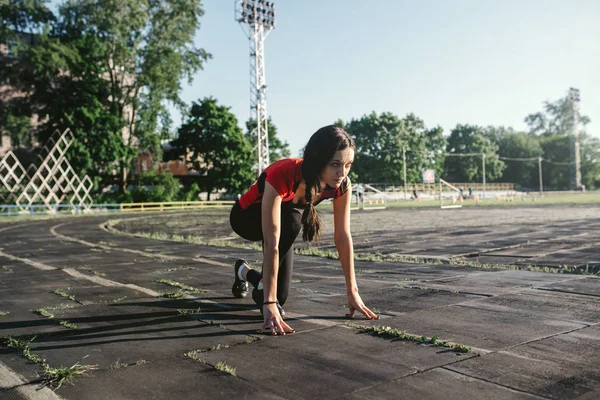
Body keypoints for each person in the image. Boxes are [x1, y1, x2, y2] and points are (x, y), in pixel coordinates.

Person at [229, 125, 379, 335]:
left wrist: (352, 291)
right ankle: (263, 289)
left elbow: (343, 236)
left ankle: (242, 271)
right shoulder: (286, 173)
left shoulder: (342, 185)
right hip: (246, 218)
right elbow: (272, 243)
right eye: (335, 164)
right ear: (318, 160)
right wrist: (268, 303)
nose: (342, 173)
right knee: (291, 224)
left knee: (278, 296)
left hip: (284, 222)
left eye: (348, 165)